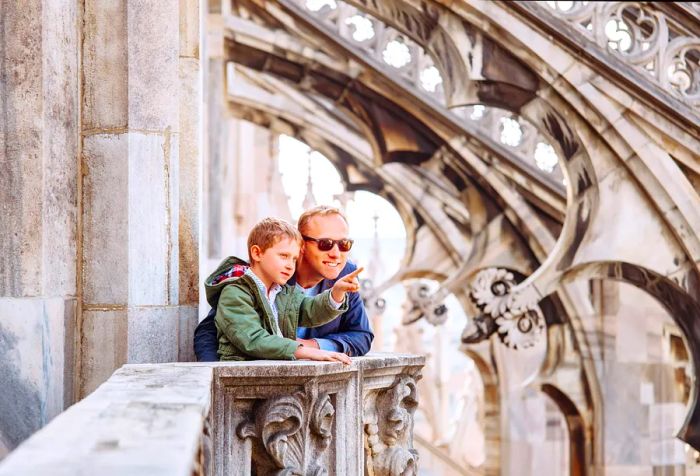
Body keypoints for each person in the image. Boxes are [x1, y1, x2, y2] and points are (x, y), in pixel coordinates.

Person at [194, 205, 374, 361]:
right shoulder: (264, 273)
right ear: (301, 244)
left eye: (344, 244)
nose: (336, 254)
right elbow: (210, 332)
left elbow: (361, 336)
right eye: (325, 244)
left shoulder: (345, 274)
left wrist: (314, 346)